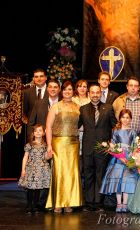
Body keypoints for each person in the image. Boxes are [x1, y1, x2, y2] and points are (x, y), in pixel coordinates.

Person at [46, 80, 82, 213]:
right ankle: (58, 202)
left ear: (74, 92)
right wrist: (49, 145)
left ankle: (69, 202)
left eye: (70, 89)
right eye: (65, 89)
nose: (67, 92)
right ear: (62, 91)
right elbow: (48, 127)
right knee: (60, 172)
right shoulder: (56, 106)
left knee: (72, 172)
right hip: (59, 143)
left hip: (73, 143)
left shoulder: (78, 107)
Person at [79, 83, 117, 211]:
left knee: (100, 175)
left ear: (100, 93)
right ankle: (89, 202)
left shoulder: (108, 107)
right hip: (87, 147)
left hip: (103, 148)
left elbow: (114, 126)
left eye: (97, 92)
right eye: (92, 92)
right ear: (89, 94)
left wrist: (112, 144)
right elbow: (76, 126)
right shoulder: (82, 109)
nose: (95, 95)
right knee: (88, 174)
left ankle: (99, 202)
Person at [28, 79, 60, 211]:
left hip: (58, 142)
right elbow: (31, 123)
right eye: (50, 87)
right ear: (47, 89)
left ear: (59, 89)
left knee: (55, 172)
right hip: (41, 144)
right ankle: (40, 203)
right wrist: (32, 143)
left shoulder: (63, 104)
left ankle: (54, 200)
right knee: (41, 172)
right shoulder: (39, 103)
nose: (52, 89)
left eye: (55, 87)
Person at [100, 109, 138, 213]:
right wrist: (120, 156)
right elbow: (112, 146)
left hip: (129, 158)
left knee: (127, 180)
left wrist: (131, 158)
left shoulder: (133, 132)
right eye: (123, 117)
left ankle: (125, 204)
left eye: (127, 118)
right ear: (120, 118)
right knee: (118, 180)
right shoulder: (115, 131)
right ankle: (119, 203)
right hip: (117, 159)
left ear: (130, 119)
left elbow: (135, 146)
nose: (125, 120)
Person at [18, 124, 52, 214]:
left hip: (41, 169)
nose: (38, 132)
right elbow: (25, 157)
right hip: (31, 169)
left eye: (40, 130)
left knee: (38, 188)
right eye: (36, 131)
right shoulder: (29, 145)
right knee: (31, 188)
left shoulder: (45, 145)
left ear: (44, 133)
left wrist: (49, 155)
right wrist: (23, 170)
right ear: (33, 133)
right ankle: (29, 206)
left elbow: (45, 157)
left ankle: (35, 206)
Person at [23, 68, 48, 137]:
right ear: (33, 79)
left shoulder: (51, 91)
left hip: (47, 128)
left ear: (46, 78)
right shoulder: (27, 92)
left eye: (41, 76)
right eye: (36, 77)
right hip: (32, 130)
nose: (39, 79)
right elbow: (24, 110)